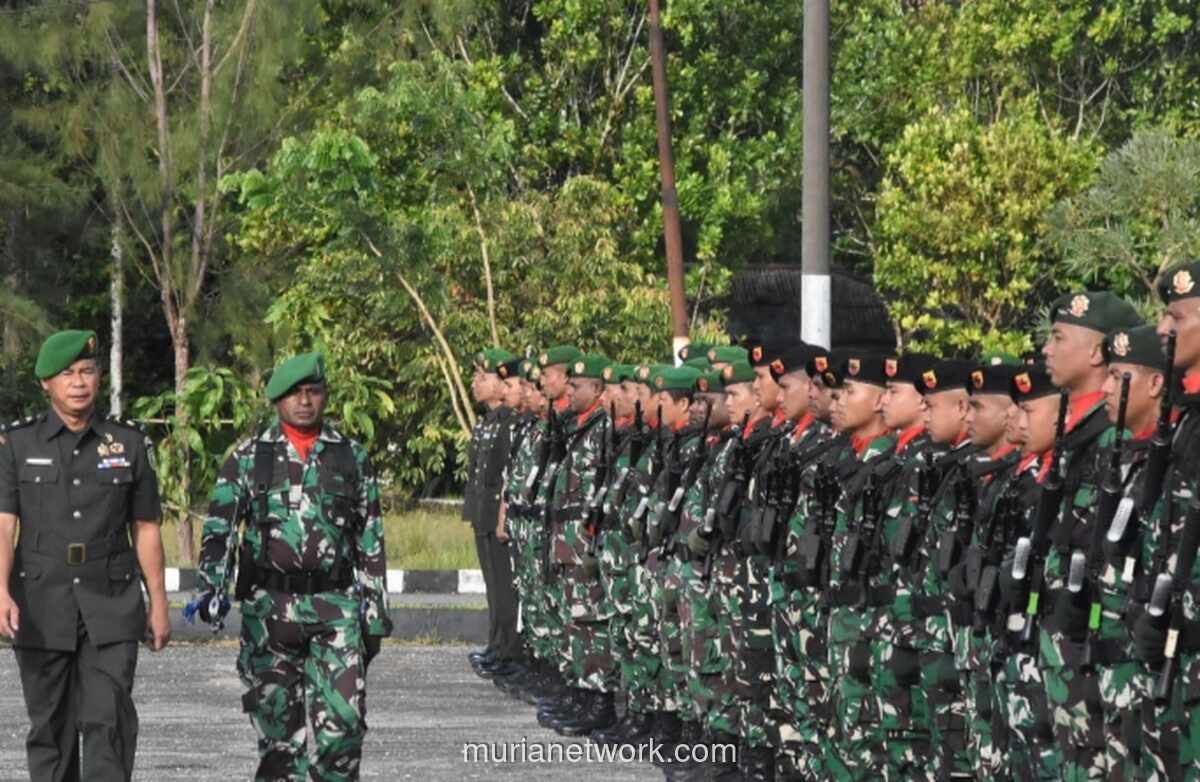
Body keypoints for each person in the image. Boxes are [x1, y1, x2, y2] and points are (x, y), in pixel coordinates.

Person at [193, 351, 392, 782]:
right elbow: (220, 529)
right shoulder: (248, 456)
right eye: (295, 393)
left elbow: (370, 538)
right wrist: (211, 589)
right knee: (279, 738)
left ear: (325, 396)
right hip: (270, 611)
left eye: (313, 391)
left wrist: (375, 615)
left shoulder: (351, 457)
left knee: (343, 728)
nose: (305, 401)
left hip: (334, 609)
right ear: (276, 400)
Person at [0, 329, 168, 782]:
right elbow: (3, 523)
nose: (79, 382)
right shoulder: (18, 444)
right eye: (68, 373)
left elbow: (146, 527)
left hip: (110, 601)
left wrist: (159, 602)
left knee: (109, 722)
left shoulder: (128, 443)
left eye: (88, 371)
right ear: (46, 383)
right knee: (50, 729)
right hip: (41, 602)